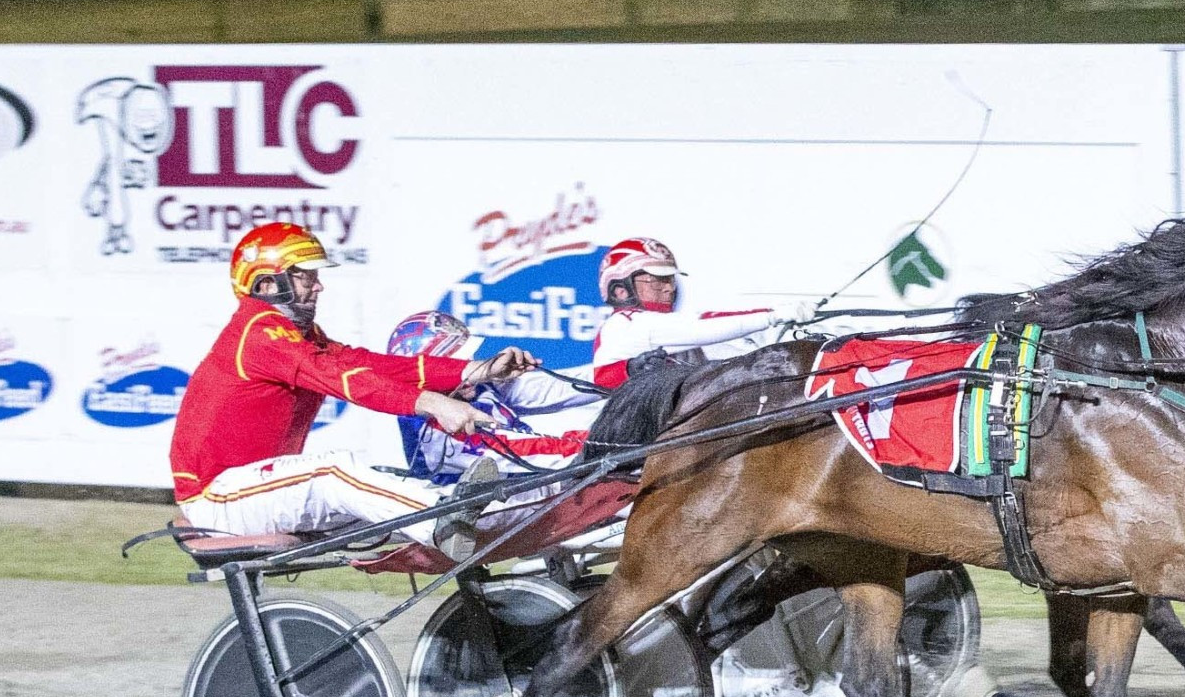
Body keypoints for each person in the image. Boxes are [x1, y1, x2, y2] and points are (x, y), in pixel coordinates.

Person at [171, 223, 535, 554]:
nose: (318, 285)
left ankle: (481, 523)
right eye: (305, 276)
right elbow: (345, 381)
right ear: (266, 284)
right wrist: (433, 404)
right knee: (333, 472)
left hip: (253, 492)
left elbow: (374, 367)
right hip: (218, 499)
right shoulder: (259, 332)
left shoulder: (297, 336)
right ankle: (446, 524)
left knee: (381, 487)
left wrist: (476, 371)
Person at [386, 310, 600, 481]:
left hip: (526, 491)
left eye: (467, 358)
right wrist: (604, 442)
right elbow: (519, 451)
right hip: (481, 518)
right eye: (456, 362)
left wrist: (626, 371)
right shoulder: (430, 427)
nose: (468, 366)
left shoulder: (474, 387)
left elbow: (555, 388)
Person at [590, 237, 811, 389]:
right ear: (620, 290)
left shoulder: (675, 334)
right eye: (657, 280)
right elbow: (705, 325)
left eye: (670, 279)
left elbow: (740, 350)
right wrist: (774, 315)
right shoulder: (624, 325)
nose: (669, 288)